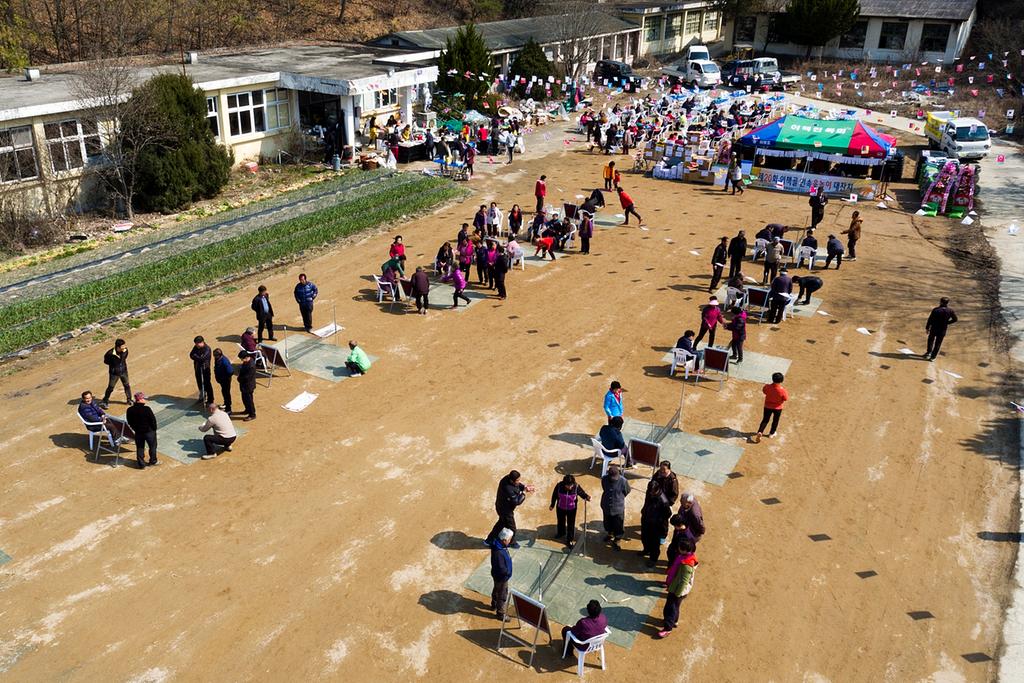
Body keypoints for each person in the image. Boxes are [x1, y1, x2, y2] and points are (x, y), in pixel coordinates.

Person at [657, 538, 698, 638]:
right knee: (675, 607)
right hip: (676, 587)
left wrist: (677, 593)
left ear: (684, 550)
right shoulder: (686, 558)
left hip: (677, 590)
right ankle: (674, 621)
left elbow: (684, 581)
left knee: (670, 608)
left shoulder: (686, 565)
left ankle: (668, 628)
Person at [485, 470, 534, 546]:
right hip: (505, 511)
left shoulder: (507, 479)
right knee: (512, 528)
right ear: (511, 480)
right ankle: (511, 542)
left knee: (501, 523)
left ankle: (489, 540)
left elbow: (517, 485)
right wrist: (524, 493)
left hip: (501, 507)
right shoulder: (508, 488)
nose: (518, 482)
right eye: (517, 480)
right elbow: (516, 502)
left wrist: (524, 487)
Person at [549, 474, 591, 546]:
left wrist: (586, 497)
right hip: (560, 508)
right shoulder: (559, 486)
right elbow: (554, 495)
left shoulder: (576, 486)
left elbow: (581, 493)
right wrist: (552, 505)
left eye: (571, 485)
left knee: (571, 524)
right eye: (568, 485)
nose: (570, 487)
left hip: (572, 509)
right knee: (560, 521)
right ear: (564, 484)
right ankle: (561, 533)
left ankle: (570, 539)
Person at [640, 478, 672, 567]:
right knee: (644, 538)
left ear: (657, 490)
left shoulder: (663, 501)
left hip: (656, 526)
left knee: (654, 544)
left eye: (652, 492)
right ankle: (646, 550)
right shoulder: (649, 493)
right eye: (649, 491)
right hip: (646, 520)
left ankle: (653, 559)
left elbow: (668, 514)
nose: (650, 493)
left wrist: (658, 520)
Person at [600, 465, 630, 550]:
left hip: (618, 507)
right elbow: (604, 488)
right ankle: (610, 534)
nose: (613, 479)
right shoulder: (604, 479)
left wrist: (618, 497)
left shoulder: (623, 481)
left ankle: (617, 538)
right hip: (606, 505)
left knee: (618, 524)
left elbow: (627, 491)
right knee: (607, 522)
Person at [125, 391, 158, 468]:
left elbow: (129, 422)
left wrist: (135, 429)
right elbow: (153, 421)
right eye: (144, 398)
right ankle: (153, 461)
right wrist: (154, 429)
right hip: (149, 432)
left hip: (138, 432)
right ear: (140, 400)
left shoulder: (129, 410)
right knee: (152, 447)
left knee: (140, 447)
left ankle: (141, 464)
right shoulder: (147, 409)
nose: (145, 400)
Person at [754, 372, 788, 442]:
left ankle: (760, 431)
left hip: (767, 407)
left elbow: (764, 391)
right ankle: (771, 433)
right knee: (775, 421)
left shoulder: (767, 387)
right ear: (781, 380)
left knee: (765, 420)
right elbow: (785, 398)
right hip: (778, 408)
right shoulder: (782, 390)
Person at [489, 528, 514, 619]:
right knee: (502, 594)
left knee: (496, 589)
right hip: (502, 577)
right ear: (504, 540)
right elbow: (502, 568)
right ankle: (500, 613)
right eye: (509, 539)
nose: (510, 541)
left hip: (496, 575)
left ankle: (494, 604)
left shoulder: (498, 545)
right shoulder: (499, 552)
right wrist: (507, 573)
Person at [101, 338, 131, 408]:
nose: (124, 347)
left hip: (124, 371)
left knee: (127, 385)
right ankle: (105, 401)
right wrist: (114, 365)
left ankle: (129, 399)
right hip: (114, 373)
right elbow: (106, 361)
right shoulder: (110, 354)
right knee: (111, 387)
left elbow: (124, 358)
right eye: (123, 346)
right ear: (118, 347)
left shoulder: (125, 350)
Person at [190, 336, 214, 405]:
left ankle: (210, 399)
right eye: (196, 344)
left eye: (198, 344)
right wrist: (198, 357)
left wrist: (196, 357)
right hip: (197, 368)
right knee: (199, 383)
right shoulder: (196, 347)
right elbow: (191, 355)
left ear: (202, 342)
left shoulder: (207, 349)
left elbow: (203, 359)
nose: (196, 345)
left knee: (207, 384)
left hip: (205, 369)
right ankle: (202, 397)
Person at [212, 348, 234, 413]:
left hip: (225, 380)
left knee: (226, 393)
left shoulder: (224, 362)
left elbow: (230, 372)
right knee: (224, 392)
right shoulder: (217, 359)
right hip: (221, 379)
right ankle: (225, 404)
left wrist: (224, 377)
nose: (214, 357)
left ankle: (228, 409)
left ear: (219, 355)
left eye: (215, 356)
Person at [237, 351, 257, 422]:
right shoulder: (246, 362)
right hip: (244, 385)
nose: (241, 360)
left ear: (246, 357)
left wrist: (239, 379)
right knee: (245, 399)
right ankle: (247, 410)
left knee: (249, 401)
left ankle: (252, 414)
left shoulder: (251, 365)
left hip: (248, 386)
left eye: (242, 359)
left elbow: (247, 377)